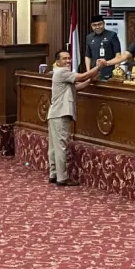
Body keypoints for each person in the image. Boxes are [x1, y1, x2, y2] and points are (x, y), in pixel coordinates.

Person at [48, 51, 101, 187]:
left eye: (69, 58)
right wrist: (98, 67)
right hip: (60, 114)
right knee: (60, 147)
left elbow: (75, 88)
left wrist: (90, 81)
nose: (68, 61)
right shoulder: (62, 72)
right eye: (64, 59)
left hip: (54, 114)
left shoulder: (59, 73)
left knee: (54, 147)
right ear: (58, 61)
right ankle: (62, 178)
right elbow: (82, 76)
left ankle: (53, 174)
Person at [84, 15, 121, 80]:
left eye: (99, 24)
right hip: (94, 72)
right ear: (91, 26)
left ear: (104, 23)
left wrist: (116, 70)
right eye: (94, 25)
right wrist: (88, 72)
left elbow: (117, 53)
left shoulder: (112, 35)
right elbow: (88, 56)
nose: (97, 27)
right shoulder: (89, 37)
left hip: (110, 72)